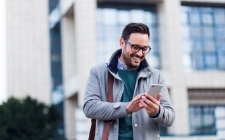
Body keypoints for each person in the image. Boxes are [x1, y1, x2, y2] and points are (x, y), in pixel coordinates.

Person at [83, 22, 175, 140]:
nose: (140, 53)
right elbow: (89, 107)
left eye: (145, 49)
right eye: (135, 47)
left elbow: (170, 118)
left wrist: (156, 111)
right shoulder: (98, 72)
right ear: (122, 43)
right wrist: (126, 108)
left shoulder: (156, 76)